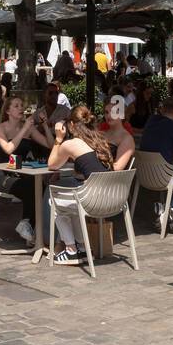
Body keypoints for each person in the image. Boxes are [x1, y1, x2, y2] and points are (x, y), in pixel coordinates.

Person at [46, 105, 114, 265]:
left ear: (71, 125)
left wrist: (58, 138)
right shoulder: (101, 139)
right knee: (73, 203)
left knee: (54, 200)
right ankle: (83, 248)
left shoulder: (71, 144)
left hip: (92, 200)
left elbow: (52, 165)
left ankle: (70, 250)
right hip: (112, 199)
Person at [0, 96, 55, 243]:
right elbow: (8, 149)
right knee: (32, 187)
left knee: (42, 187)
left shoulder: (29, 127)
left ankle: (29, 226)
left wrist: (45, 124)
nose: (21, 108)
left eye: (21, 105)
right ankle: (27, 225)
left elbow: (50, 145)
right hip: (4, 177)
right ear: (8, 111)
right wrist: (25, 129)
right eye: (16, 106)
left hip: (24, 174)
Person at [97, 95, 136, 170]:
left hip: (113, 179)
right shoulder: (103, 133)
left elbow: (117, 168)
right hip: (96, 175)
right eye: (106, 112)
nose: (108, 115)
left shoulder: (126, 138)